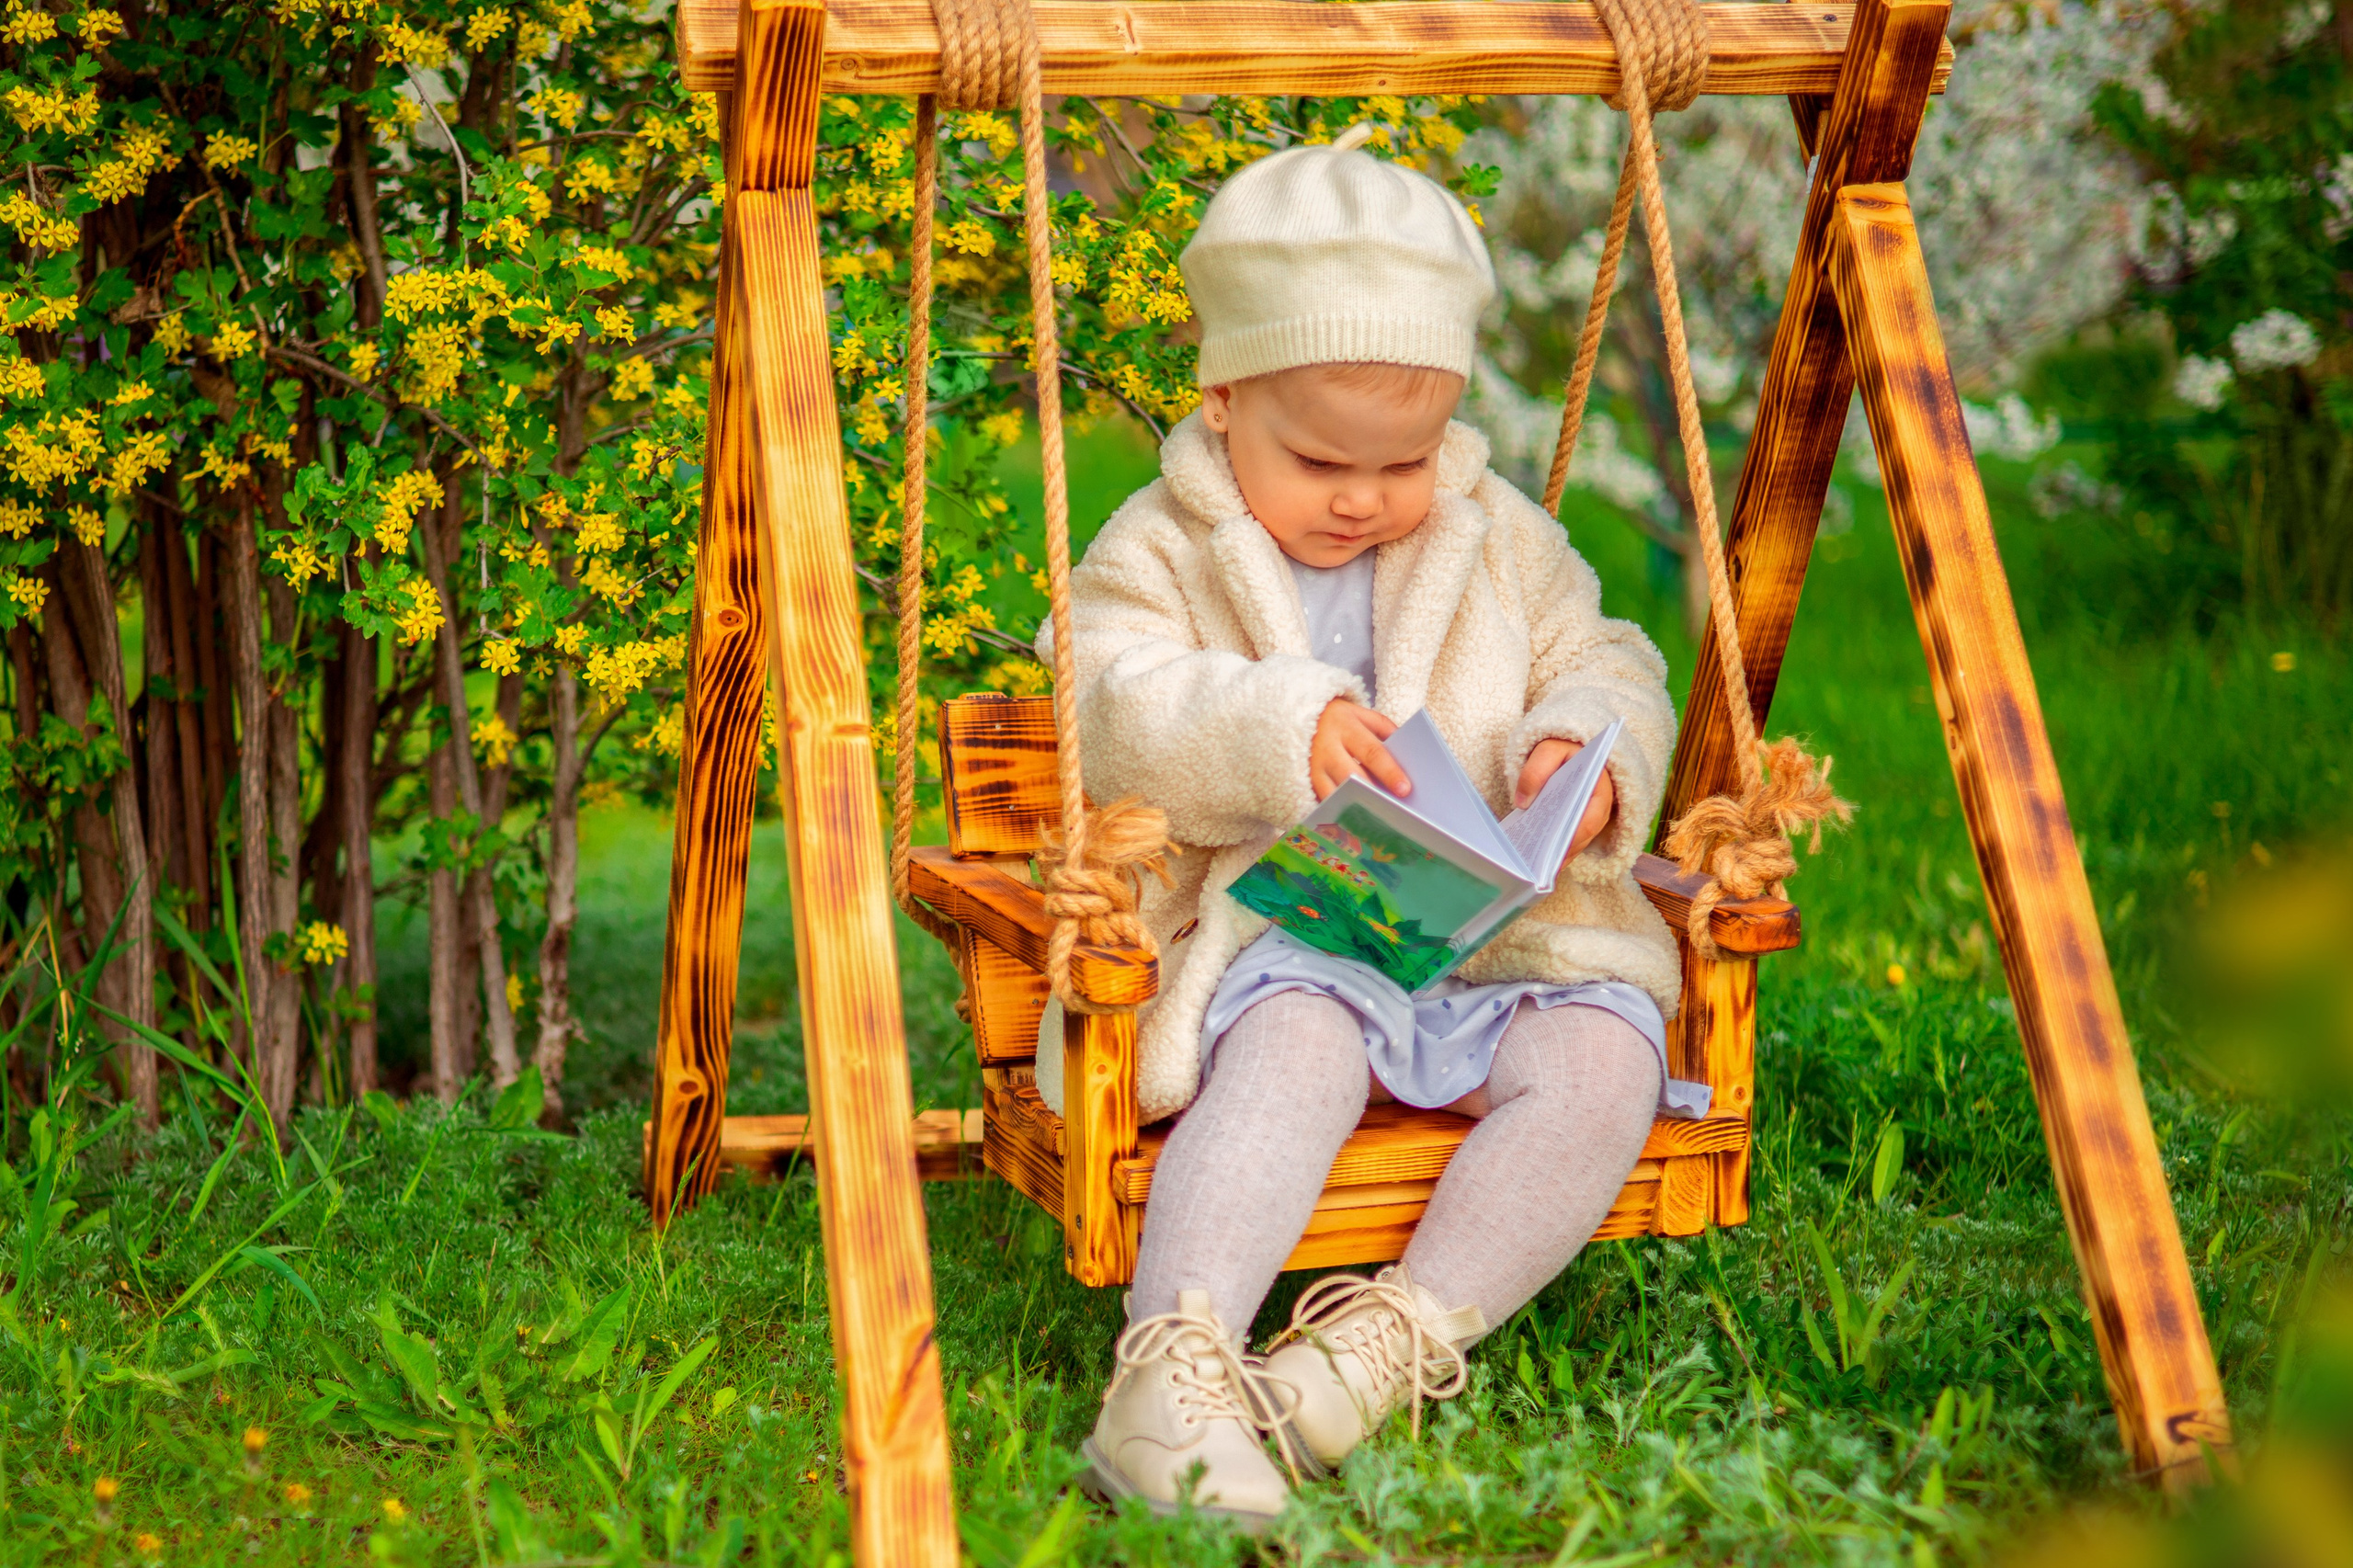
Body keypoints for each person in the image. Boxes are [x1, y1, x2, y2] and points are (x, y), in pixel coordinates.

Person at [1040, 122, 1697, 1529]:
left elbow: (1609, 653)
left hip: (1486, 941)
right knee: (1301, 1038)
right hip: (1286, 930)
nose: (1365, 496)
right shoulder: (1162, 545)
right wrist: (1282, 729)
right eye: (1323, 459)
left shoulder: (1491, 532)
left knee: (1607, 1057)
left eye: (1406, 461)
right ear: (1224, 400)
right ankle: (1172, 1370)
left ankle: (1373, 1350)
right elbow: (1105, 696)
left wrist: (1582, 742)